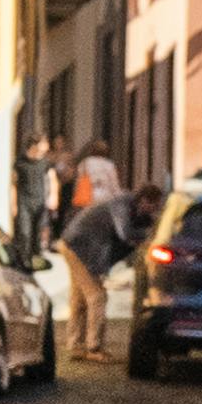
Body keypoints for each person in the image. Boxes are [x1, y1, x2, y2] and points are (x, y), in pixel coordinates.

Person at [58, 154, 135, 363]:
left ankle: (75, 344)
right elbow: (123, 234)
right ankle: (93, 347)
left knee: (79, 298)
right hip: (79, 248)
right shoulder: (121, 204)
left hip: (69, 242)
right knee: (97, 296)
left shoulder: (85, 164)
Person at [13, 131, 59, 257]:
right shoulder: (20, 162)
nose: (46, 147)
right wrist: (13, 204)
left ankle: (36, 257)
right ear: (34, 145)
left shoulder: (46, 162)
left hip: (40, 201)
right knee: (25, 232)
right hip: (24, 201)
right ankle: (24, 258)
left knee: (38, 232)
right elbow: (13, 183)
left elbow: (53, 179)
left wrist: (53, 196)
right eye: (44, 143)